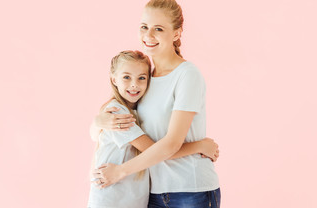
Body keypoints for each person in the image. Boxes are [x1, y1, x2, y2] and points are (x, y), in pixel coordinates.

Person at [88, 50, 219, 208]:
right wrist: (199, 146)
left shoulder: (137, 110)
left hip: (131, 199)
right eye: (126, 77)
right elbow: (155, 150)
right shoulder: (117, 113)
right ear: (114, 79)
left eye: (142, 78)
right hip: (112, 199)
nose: (134, 84)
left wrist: (96, 123)